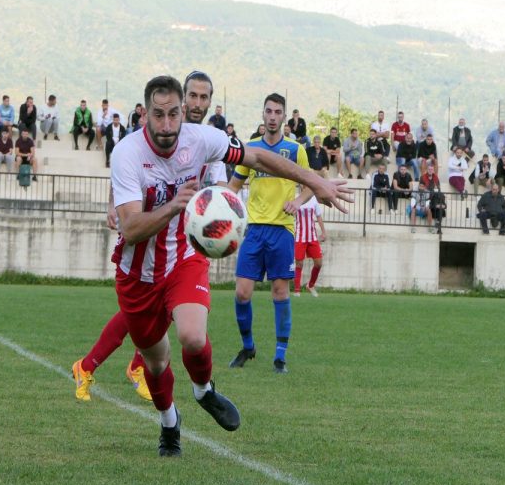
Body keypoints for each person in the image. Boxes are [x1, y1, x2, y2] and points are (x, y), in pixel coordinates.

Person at [110, 78, 348, 456]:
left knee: (192, 336)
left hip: (183, 259)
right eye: (159, 115)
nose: (168, 124)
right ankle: (170, 422)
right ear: (145, 115)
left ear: (182, 111)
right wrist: (174, 205)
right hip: (137, 274)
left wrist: (312, 180)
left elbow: (255, 157)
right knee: (156, 364)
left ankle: (205, 390)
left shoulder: (200, 139)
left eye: (174, 114)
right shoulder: (126, 153)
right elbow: (131, 228)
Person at [72, 70, 222, 406]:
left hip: (184, 250)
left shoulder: (208, 143)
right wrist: (115, 206)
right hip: (142, 255)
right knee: (141, 320)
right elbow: (133, 177)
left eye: (204, 97)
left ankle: (122, 368)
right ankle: (122, 368)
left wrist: (224, 223)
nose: (198, 103)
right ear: (182, 100)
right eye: (193, 96)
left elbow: (223, 191)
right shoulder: (150, 137)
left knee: (186, 325)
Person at [227, 91, 351, 375]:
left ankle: (280, 356)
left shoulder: (296, 150)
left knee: (280, 292)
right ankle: (248, 347)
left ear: (285, 117)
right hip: (255, 229)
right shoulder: (251, 149)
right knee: (242, 292)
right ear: (262, 114)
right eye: (268, 111)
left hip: (282, 229)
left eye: (277, 112)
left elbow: (312, 182)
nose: (272, 117)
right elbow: (233, 187)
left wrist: (297, 201)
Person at [293, 195, 326, 297]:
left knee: (318, 263)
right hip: (299, 237)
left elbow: (319, 216)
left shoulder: (314, 199)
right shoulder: (296, 198)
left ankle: (310, 285)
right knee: (299, 264)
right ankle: (297, 291)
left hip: (312, 237)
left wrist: (324, 232)